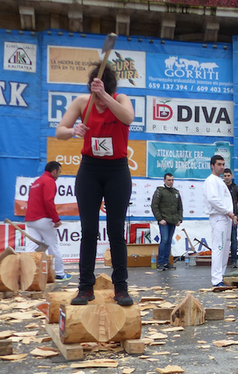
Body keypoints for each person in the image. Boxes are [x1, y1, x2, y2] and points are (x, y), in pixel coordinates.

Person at [55, 62, 135, 306]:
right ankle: (85, 287)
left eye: (103, 97)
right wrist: (73, 130)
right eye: (95, 97)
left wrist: (105, 97)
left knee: (115, 230)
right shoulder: (82, 102)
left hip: (117, 171)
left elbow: (128, 118)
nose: (99, 104)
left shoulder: (120, 100)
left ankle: (120, 287)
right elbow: (60, 130)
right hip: (90, 169)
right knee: (89, 230)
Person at [24, 161, 71, 281]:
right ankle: (60, 273)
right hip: (43, 219)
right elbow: (48, 201)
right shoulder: (49, 181)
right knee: (53, 246)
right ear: (54, 171)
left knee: (32, 248)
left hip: (30, 220)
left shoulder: (37, 181)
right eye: (59, 172)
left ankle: (27, 274)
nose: (59, 175)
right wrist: (56, 219)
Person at [203, 155, 237, 287]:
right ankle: (216, 280)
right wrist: (228, 212)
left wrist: (231, 214)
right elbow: (213, 199)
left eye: (223, 164)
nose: (222, 167)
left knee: (225, 248)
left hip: (226, 217)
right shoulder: (211, 180)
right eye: (219, 164)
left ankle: (220, 276)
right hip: (219, 217)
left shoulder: (220, 181)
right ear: (212, 165)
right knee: (219, 248)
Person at [151, 173, 183, 272]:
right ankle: (160, 263)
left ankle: (166, 262)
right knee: (164, 240)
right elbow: (154, 206)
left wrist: (179, 219)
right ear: (164, 180)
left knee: (169, 241)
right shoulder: (159, 191)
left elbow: (180, 207)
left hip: (173, 221)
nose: (171, 182)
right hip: (164, 220)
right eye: (169, 180)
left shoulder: (176, 192)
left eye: (172, 180)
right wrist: (160, 219)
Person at [223, 169, 238, 268]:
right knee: (222, 240)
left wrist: (237, 216)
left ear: (231, 176)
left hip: (233, 218)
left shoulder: (236, 188)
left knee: (233, 240)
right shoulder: (220, 187)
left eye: (228, 175)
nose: (227, 177)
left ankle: (234, 261)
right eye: (225, 175)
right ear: (222, 176)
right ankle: (223, 260)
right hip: (222, 217)